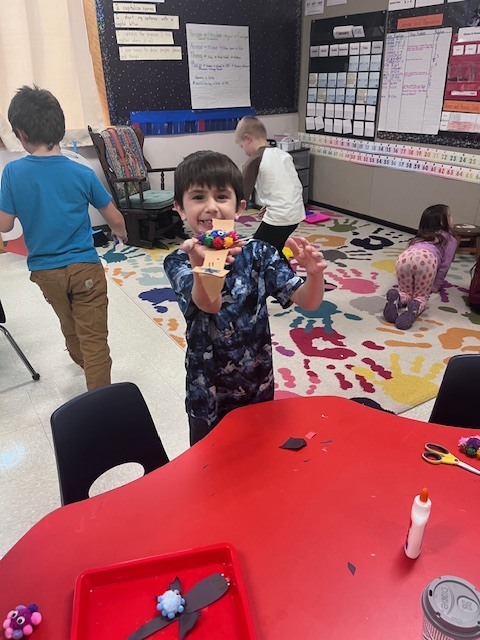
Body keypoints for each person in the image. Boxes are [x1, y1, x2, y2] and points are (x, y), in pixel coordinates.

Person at [164, 150, 326, 445]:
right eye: (198, 197)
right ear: (180, 208)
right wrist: (211, 260)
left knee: (258, 455)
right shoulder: (180, 260)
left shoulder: (260, 252)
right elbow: (209, 302)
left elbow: (308, 301)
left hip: (257, 384)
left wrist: (314, 275)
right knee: (209, 466)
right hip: (209, 389)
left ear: (238, 207)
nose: (211, 208)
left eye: (221, 197)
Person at [0, 85, 127, 390]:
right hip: (85, 269)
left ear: (21, 133)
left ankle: (81, 358)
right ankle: (101, 403)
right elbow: (114, 217)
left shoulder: (12, 173)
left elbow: (4, 226)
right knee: (95, 341)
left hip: (46, 274)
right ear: (58, 126)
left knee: (71, 331)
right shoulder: (81, 173)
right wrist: (120, 234)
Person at [235, 116, 305, 254]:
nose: (244, 151)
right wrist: (269, 204)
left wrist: (228, 214)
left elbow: (241, 193)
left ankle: (282, 274)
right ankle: (283, 273)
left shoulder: (255, 159)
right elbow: (288, 185)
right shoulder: (282, 154)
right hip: (296, 213)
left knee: (257, 252)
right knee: (274, 250)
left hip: (280, 216)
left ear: (248, 138)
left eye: (242, 146)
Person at [383, 204, 457, 330]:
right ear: (442, 221)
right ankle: (413, 309)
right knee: (420, 296)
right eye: (449, 216)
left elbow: (411, 255)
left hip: (404, 258)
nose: (452, 218)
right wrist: (436, 286)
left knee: (405, 292)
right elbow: (444, 265)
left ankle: (397, 298)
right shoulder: (450, 239)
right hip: (426, 261)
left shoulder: (419, 237)